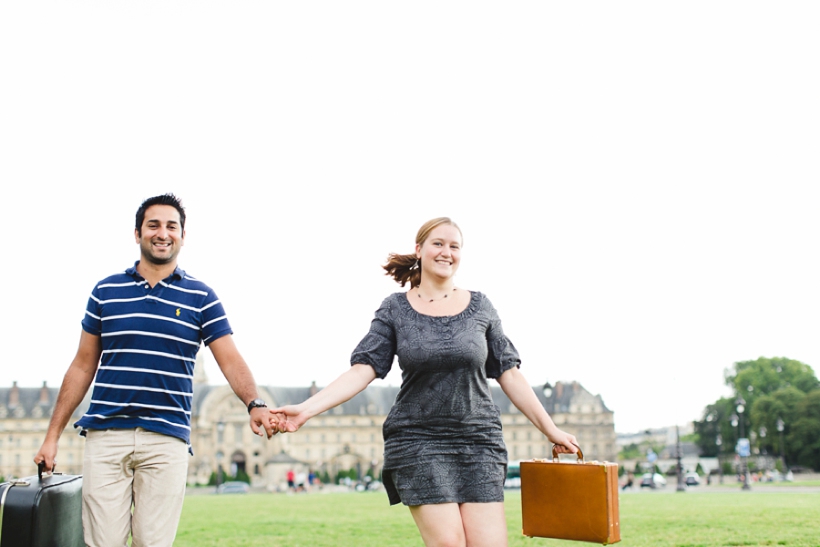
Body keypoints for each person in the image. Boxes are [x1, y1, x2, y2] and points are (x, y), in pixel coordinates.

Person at [270, 217, 578, 547]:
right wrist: (305, 410)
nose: (447, 252)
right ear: (419, 250)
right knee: (449, 544)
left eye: (454, 246)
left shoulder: (481, 307)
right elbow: (363, 369)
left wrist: (551, 429)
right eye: (438, 243)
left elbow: (509, 373)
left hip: (478, 439)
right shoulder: (395, 309)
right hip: (419, 439)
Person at [34, 193, 275, 547]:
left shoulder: (202, 297)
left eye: (171, 226)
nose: (163, 233)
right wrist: (52, 435)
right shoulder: (105, 291)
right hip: (106, 435)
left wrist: (255, 403)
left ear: (182, 235)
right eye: (153, 225)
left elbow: (230, 359)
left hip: (166, 438)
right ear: (137, 233)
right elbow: (82, 365)